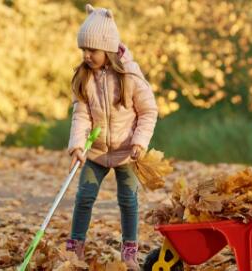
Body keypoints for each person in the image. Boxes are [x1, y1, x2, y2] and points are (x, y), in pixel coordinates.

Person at [66, 3, 158, 270]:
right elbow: (80, 114)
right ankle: (76, 246)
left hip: (126, 151)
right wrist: (77, 146)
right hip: (95, 152)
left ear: (107, 48)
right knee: (84, 196)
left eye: (91, 50)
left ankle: (129, 248)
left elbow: (148, 111)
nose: (86, 55)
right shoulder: (85, 77)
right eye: (83, 49)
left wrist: (140, 142)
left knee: (128, 199)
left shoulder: (129, 74)